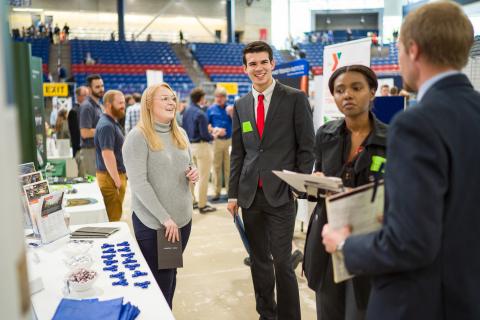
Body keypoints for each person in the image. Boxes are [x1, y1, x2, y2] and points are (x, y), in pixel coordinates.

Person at [321, 2, 480, 319]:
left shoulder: (415, 124)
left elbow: (410, 243)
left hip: (421, 301)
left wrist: (344, 245)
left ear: (413, 50)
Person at [228, 41, 315, 320]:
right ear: (245, 69)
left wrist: (295, 187)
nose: (259, 68)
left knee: (282, 262)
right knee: (259, 261)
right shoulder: (241, 105)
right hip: (250, 195)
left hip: (281, 194)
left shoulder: (294, 98)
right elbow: (238, 154)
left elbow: (307, 147)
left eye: (263, 62)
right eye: (252, 64)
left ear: (272, 64)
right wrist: (232, 195)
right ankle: (267, 313)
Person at [303, 65, 387, 320]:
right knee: (328, 310)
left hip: (368, 238)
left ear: (372, 92)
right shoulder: (325, 135)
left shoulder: (393, 139)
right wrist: (315, 182)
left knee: (360, 310)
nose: (347, 95)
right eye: (340, 90)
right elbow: (317, 183)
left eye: (356, 88)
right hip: (327, 235)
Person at [122, 83, 199, 309]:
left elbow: (189, 165)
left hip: (182, 220)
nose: (171, 103)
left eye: (173, 98)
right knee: (160, 286)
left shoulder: (180, 133)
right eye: (164, 98)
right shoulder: (138, 137)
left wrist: (193, 173)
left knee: (171, 278)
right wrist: (165, 218)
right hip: (156, 225)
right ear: (148, 104)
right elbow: (138, 183)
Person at [182, 88, 217, 213]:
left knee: (192, 177)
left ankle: (192, 202)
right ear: (201, 98)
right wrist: (213, 135)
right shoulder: (200, 113)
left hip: (189, 146)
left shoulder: (186, 111)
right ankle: (203, 204)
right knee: (203, 177)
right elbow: (205, 135)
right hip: (202, 146)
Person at [94, 90, 127, 222]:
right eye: (120, 103)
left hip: (112, 176)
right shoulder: (107, 125)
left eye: (124, 102)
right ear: (108, 105)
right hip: (111, 178)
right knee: (113, 220)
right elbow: (107, 154)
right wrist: (116, 180)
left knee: (114, 216)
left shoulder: (111, 122)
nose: (123, 106)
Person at [207, 87, 231, 201]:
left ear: (226, 98)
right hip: (217, 141)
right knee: (216, 167)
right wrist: (214, 130)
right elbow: (207, 125)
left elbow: (240, 123)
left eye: (222, 97)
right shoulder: (211, 109)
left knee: (229, 167)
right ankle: (216, 192)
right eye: (217, 97)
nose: (219, 99)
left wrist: (232, 114)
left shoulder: (230, 108)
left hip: (230, 141)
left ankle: (229, 191)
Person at [78, 74, 104, 176]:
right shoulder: (87, 106)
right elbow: (84, 132)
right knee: (92, 186)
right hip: (89, 152)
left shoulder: (98, 105)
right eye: (97, 87)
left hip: (98, 151)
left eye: (102, 86)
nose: (101, 89)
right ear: (89, 89)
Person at [69, 86, 89, 158]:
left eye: (88, 95)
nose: (88, 97)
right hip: (81, 151)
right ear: (78, 97)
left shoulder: (87, 109)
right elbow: (76, 134)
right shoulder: (74, 112)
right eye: (85, 95)